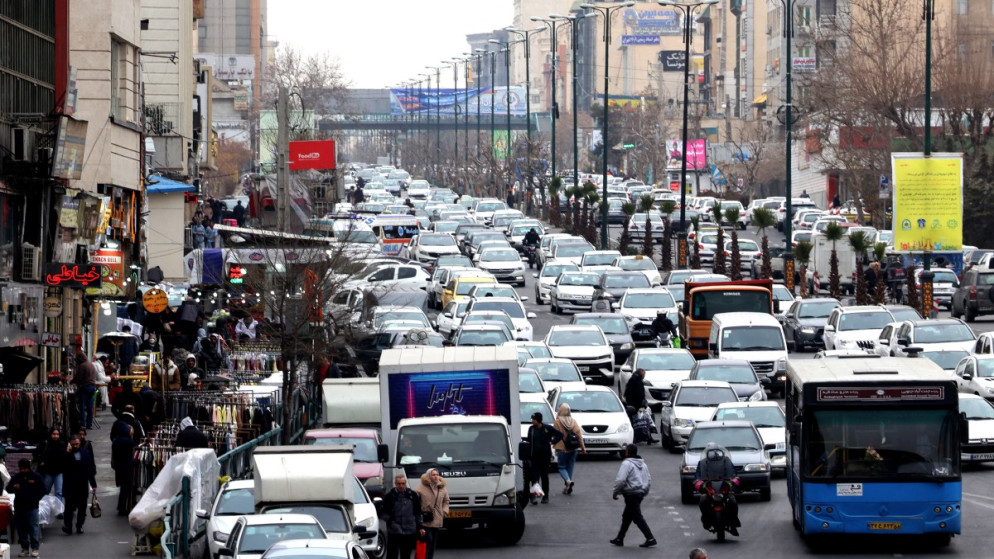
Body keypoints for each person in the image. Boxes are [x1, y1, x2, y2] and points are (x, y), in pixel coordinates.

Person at [610, 444, 656, 548]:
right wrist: (644, 492)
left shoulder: (627, 463)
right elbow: (648, 479)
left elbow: (621, 480)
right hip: (640, 493)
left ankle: (650, 538)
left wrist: (615, 491)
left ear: (627, 452)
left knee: (637, 517)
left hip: (631, 494)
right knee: (627, 517)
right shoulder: (643, 464)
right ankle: (619, 538)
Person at [694, 442, 740, 536]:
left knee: (733, 501)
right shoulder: (702, 463)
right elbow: (698, 476)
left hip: (723, 487)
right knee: (702, 501)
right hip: (710, 488)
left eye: (716, 451)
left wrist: (734, 481)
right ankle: (706, 520)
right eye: (711, 451)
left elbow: (734, 474)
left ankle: (733, 523)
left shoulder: (726, 461)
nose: (714, 454)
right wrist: (699, 484)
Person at [7, 458, 44, 557]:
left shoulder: (36, 476)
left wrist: (36, 499)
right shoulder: (16, 477)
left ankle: (35, 548)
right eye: (21, 469)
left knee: (33, 528)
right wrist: (14, 487)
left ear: (28, 468)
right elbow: (8, 488)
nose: (22, 470)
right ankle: (25, 548)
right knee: (21, 528)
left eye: (24, 468)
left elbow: (42, 489)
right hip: (19, 507)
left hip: (32, 507)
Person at [61, 435, 97, 535]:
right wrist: (67, 453)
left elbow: (90, 470)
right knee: (68, 508)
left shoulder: (85, 453)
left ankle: (79, 525)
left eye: (76, 444)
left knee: (82, 508)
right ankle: (68, 526)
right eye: (73, 444)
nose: (75, 446)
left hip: (82, 485)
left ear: (80, 443)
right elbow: (62, 466)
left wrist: (93, 484)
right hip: (70, 485)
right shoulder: (66, 454)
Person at [382, 474, 423, 559]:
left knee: (406, 554)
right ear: (395, 484)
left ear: (405, 483)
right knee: (392, 554)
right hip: (394, 531)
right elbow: (384, 512)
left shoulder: (413, 495)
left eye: (403, 483)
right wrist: (390, 520)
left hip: (409, 530)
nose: (401, 486)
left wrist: (420, 527)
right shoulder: (389, 496)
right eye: (399, 484)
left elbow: (418, 512)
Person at [526, 412, 562, 504]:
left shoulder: (547, 428)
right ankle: (534, 496)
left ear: (538, 420)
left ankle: (545, 496)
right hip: (534, 456)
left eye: (533, 419)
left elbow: (560, 434)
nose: (532, 421)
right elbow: (529, 441)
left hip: (545, 456)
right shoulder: (531, 429)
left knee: (544, 476)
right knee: (534, 476)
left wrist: (553, 441)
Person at [414, 468, 449, 559]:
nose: (436, 476)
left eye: (437, 474)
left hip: (437, 519)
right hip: (425, 519)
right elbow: (415, 503)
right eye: (433, 475)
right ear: (429, 476)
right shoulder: (421, 488)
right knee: (428, 539)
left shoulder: (442, 487)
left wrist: (444, 511)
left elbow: (446, 501)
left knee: (433, 542)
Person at [552, 403, 586, 494]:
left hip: (562, 449)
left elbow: (555, 435)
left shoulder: (557, 422)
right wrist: (583, 448)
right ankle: (568, 485)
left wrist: (553, 445)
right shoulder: (573, 421)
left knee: (561, 467)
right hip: (573, 448)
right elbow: (579, 435)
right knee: (570, 467)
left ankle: (568, 482)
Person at [34, 427, 67, 502]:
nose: (56, 436)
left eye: (57, 434)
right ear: (50, 434)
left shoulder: (62, 444)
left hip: (59, 472)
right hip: (48, 472)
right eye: (54, 434)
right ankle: (42, 506)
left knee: (59, 492)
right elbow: (36, 453)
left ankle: (58, 508)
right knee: (45, 491)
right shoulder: (45, 443)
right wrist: (41, 461)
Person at [73, 353, 98, 430]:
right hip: (92, 387)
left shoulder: (82, 366)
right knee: (90, 407)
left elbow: (78, 378)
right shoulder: (91, 365)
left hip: (85, 387)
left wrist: (72, 381)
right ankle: (89, 424)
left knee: (82, 406)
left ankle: (83, 424)